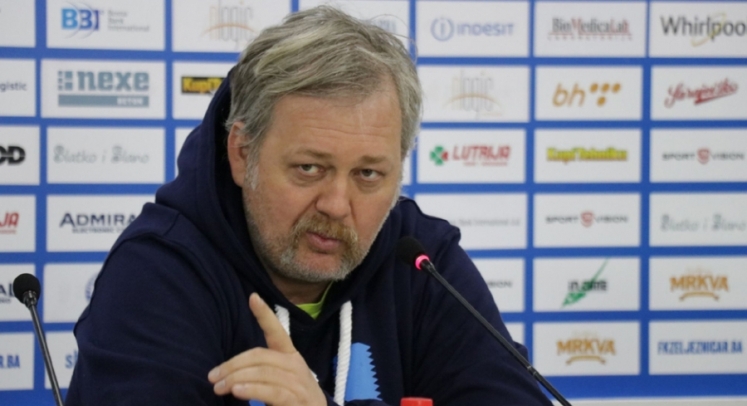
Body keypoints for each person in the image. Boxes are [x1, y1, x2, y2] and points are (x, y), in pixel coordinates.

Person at [66, 6, 552, 406]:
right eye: (309, 168)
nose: (337, 205)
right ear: (242, 153)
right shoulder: (159, 272)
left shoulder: (423, 262)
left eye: (368, 174)